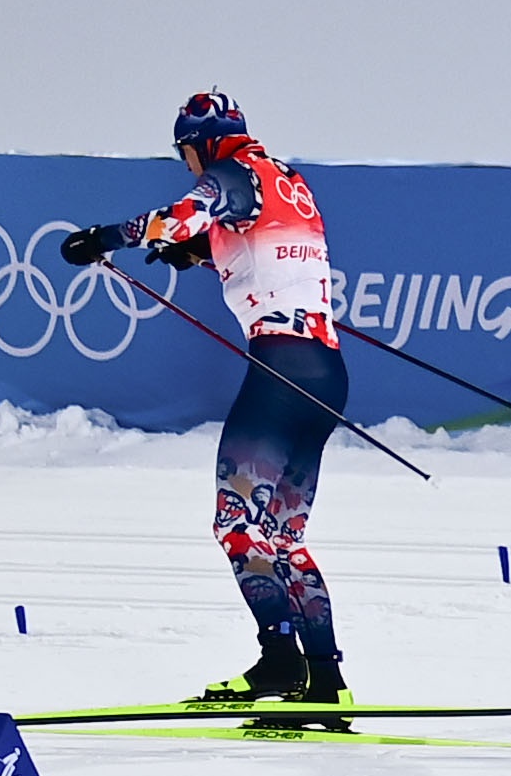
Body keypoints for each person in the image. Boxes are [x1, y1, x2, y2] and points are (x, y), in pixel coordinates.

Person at [59, 92, 352, 712]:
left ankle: (279, 664)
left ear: (202, 143)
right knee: (284, 537)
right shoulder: (285, 178)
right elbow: (249, 234)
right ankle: (326, 681)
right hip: (326, 373)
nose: (188, 165)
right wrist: (199, 251)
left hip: (279, 371)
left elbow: (182, 214)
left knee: (237, 526)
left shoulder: (228, 174)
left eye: (186, 152)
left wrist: (104, 239)